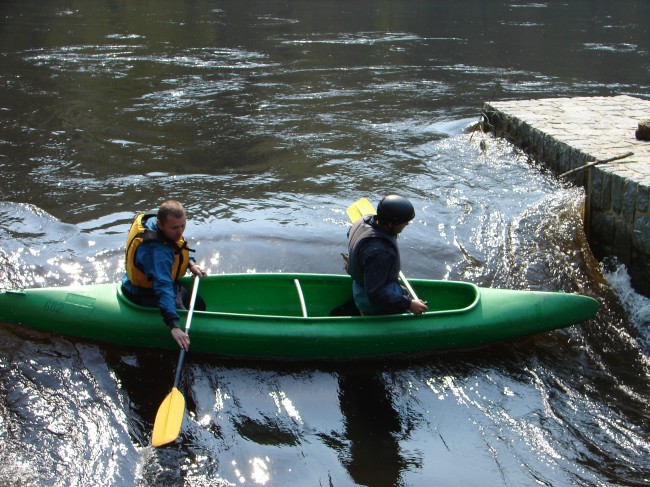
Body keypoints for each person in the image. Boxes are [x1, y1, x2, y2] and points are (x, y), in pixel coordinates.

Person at [122, 200, 206, 351]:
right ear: (160, 225)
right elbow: (163, 286)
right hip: (144, 293)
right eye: (175, 228)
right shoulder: (158, 252)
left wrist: (191, 264)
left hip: (159, 279)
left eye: (183, 226)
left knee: (198, 303)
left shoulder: (161, 226)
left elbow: (178, 247)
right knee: (183, 311)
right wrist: (174, 326)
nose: (180, 231)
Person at [347, 195, 428, 315]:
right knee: (401, 301)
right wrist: (409, 304)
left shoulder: (362, 221)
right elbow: (377, 293)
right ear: (390, 224)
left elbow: (350, 235)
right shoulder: (380, 253)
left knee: (401, 292)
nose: (407, 224)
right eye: (404, 223)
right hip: (371, 300)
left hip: (359, 287)